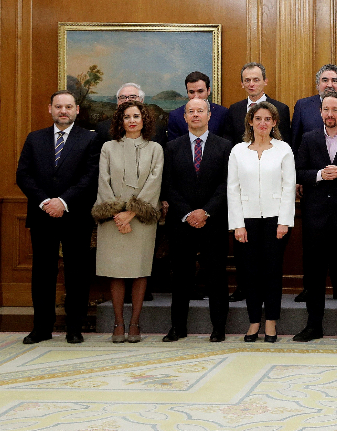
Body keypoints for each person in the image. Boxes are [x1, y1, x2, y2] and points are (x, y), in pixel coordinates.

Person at [16, 90, 101, 344]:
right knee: (43, 273)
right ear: (50, 109)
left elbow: (90, 177)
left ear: (76, 110)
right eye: (58, 106)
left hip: (75, 216)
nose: (63, 111)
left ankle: (74, 328)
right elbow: (23, 175)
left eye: (68, 107)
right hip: (42, 216)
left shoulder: (89, 139)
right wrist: (45, 202)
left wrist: (63, 202)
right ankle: (41, 328)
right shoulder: (34, 138)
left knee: (77, 273)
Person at [91, 100, 164, 343]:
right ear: (120, 121)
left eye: (136, 116)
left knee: (139, 271)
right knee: (116, 272)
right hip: (113, 220)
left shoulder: (155, 149)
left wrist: (131, 213)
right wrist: (117, 214)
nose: (132, 120)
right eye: (127, 117)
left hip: (141, 220)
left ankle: (135, 324)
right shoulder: (108, 148)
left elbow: (154, 183)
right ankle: (118, 324)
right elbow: (104, 180)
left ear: (144, 120)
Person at [162, 98, 234, 343]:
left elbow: (227, 184)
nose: (195, 115)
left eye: (200, 111)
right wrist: (187, 213)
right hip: (181, 223)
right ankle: (177, 328)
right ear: (184, 117)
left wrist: (205, 211)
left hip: (212, 222)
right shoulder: (171, 147)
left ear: (209, 115)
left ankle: (219, 328)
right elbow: (168, 186)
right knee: (181, 277)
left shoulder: (225, 147)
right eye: (191, 112)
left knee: (216, 276)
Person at [294, 91, 337, 343]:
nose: (330, 115)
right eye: (326, 110)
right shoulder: (309, 138)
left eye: (335, 110)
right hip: (315, 219)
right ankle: (314, 326)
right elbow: (299, 172)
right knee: (313, 275)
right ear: (320, 112)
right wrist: (320, 175)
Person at [227, 102, 296, 343]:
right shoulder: (238, 151)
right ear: (250, 122)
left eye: (268, 119)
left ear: (275, 123)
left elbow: (289, 187)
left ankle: (271, 322)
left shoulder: (284, 149)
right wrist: (238, 224)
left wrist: (284, 221)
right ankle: (254, 321)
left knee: (272, 272)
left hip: (276, 221)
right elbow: (232, 189)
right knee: (250, 273)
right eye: (258, 119)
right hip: (246, 221)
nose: (263, 123)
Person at [291, 63, 337, 151]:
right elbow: (295, 143)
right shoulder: (302, 106)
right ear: (317, 84)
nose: (330, 85)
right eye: (325, 80)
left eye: (334, 81)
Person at [222, 62, 291, 143]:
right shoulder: (234, 110)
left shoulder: (281, 109)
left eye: (256, 80)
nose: (251, 84)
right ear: (242, 84)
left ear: (265, 81)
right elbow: (229, 141)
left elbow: (285, 140)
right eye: (247, 80)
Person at [166, 72, 230, 143]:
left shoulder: (223, 113)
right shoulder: (175, 116)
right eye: (191, 92)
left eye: (200, 91)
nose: (196, 96)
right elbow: (173, 148)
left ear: (208, 91)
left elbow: (226, 145)